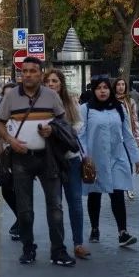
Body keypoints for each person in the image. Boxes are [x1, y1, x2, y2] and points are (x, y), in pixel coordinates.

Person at [0, 57, 75, 266]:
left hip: (48, 158)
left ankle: (58, 250)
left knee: (55, 207)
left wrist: (52, 129)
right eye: (24, 71)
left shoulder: (51, 96)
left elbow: (62, 122)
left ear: (40, 74)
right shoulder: (11, 96)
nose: (28, 74)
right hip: (21, 159)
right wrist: (11, 141)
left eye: (32, 71)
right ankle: (28, 248)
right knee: (25, 209)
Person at [79, 75, 139, 247]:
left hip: (116, 157)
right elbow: (81, 136)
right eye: (99, 88)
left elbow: (127, 134)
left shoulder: (118, 108)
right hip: (94, 159)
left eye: (105, 88)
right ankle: (94, 228)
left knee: (118, 193)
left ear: (110, 90)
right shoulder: (86, 109)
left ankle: (123, 232)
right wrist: (85, 157)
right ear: (94, 90)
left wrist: (136, 159)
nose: (102, 91)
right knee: (95, 194)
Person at [44, 69, 90, 260]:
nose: (51, 84)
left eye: (54, 81)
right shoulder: (40, 104)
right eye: (47, 81)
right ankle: (58, 246)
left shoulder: (70, 102)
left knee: (76, 203)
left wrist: (59, 131)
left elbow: (80, 126)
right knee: (55, 206)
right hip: (50, 160)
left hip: (71, 159)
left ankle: (78, 243)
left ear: (61, 84)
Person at [0, 82, 19, 240]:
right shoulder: (1, 115)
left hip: (21, 157)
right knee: (6, 190)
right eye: (5, 95)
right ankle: (21, 219)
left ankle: (22, 223)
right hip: (6, 159)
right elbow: (0, 140)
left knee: (20, 191)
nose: (7, 98)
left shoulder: (23, 113)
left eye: (11, 94)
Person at [114, 78, 139, 200]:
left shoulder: (130, 101)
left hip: (128, 135)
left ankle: (129, 187)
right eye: (118, 84)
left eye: (123, 84)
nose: (121, 87)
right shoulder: (111, 101)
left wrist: (137, 136)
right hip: (115, 137)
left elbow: (135, 120)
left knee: (129, 162)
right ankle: (119, 186)